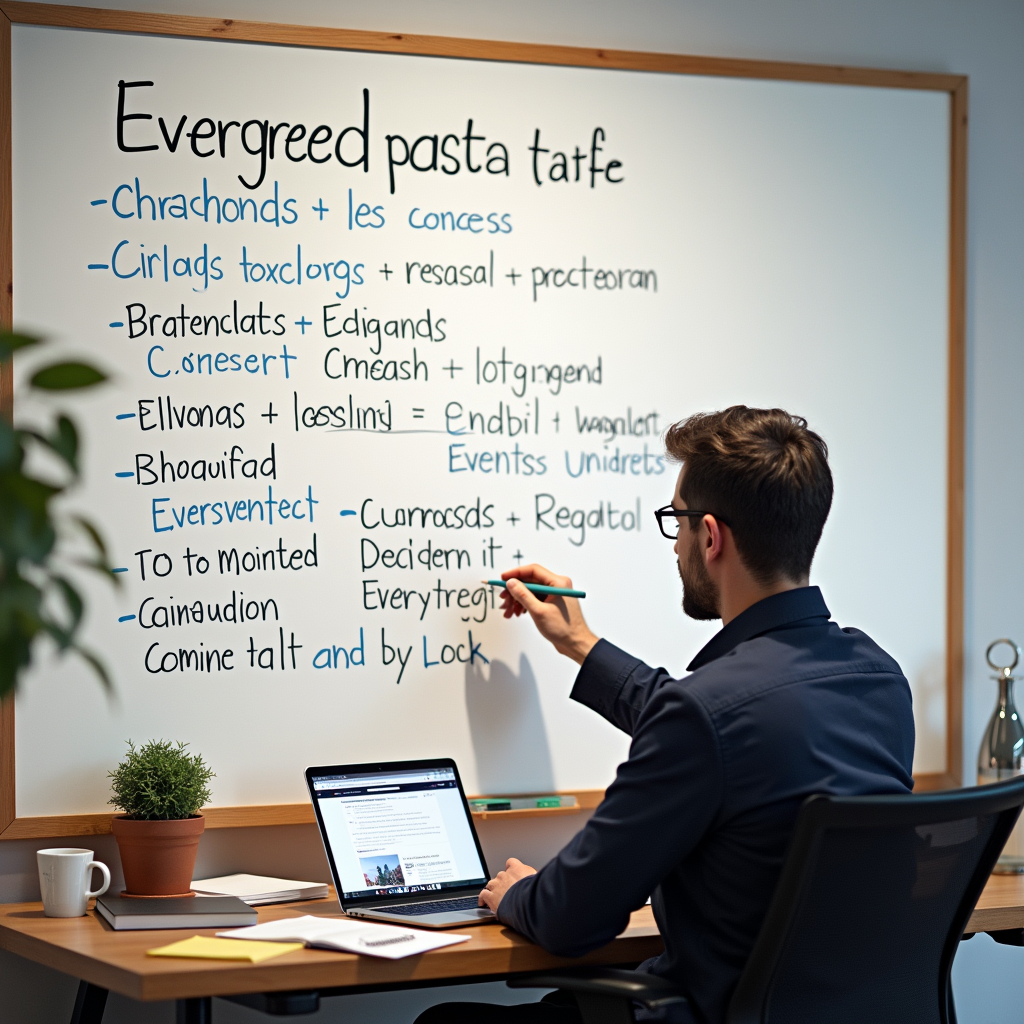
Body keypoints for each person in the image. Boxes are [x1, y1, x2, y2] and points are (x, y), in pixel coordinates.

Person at [415, 406, 914, 1024]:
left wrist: (517, 892)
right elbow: (739, 733)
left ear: (710, 537)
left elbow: (572, 919)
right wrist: (583, 646)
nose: (674, 543)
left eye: (675, 523)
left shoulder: (707, 713)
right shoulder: (878, 678)